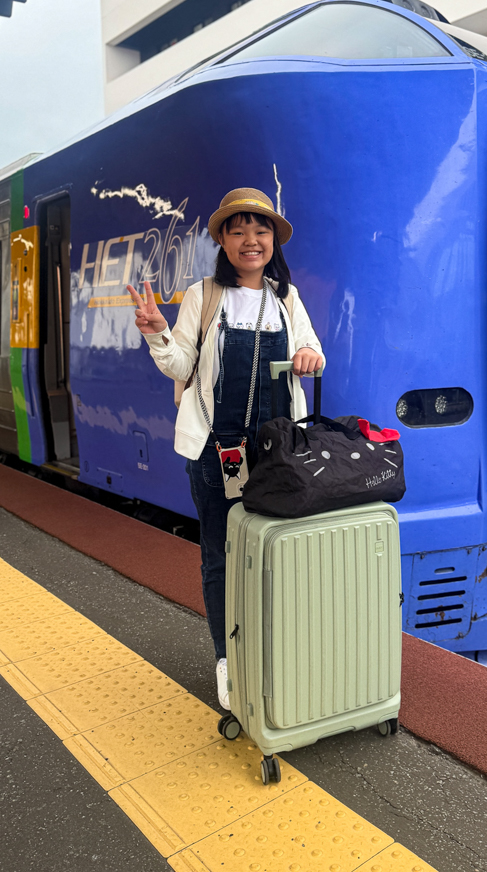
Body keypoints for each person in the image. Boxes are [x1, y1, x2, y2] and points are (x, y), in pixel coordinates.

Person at [127, 188, 324, 708]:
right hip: (219, 452)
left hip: (278, 451)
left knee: (281, 550)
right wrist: (157, 334)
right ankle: (227, 657)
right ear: (223, 240)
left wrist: (307, 352)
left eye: (259, 230)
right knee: (221, 556)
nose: (250, 240)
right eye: (237, 231)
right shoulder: (203, 295)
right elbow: (179, 364)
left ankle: (280, 648)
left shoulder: (287, 298)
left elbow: (313, 351)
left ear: (272, 242)